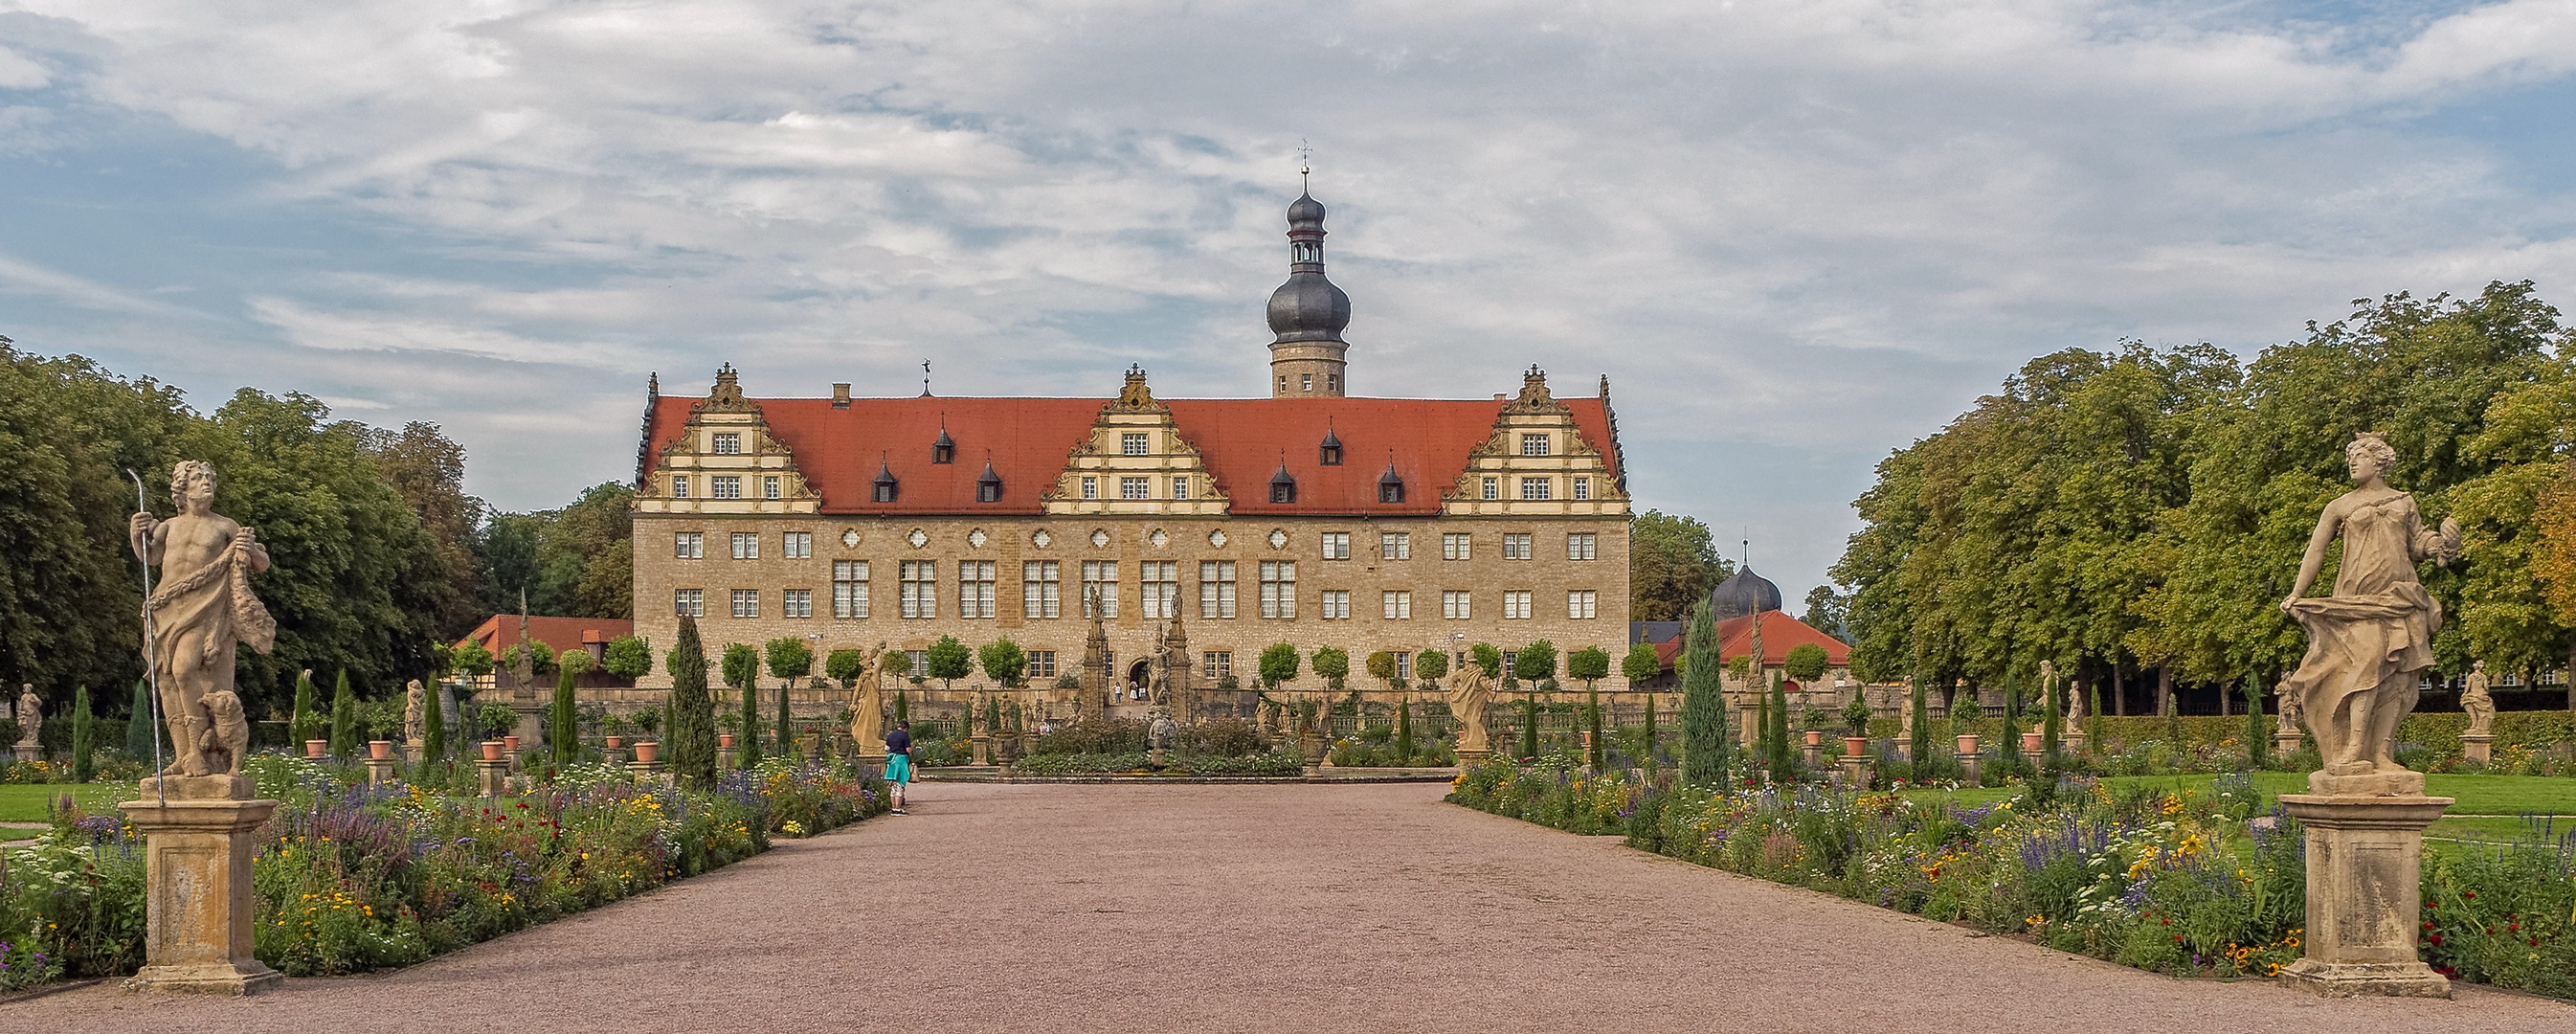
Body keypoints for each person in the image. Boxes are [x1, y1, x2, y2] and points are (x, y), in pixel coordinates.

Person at [883, 719, 912, 814]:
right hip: (901, 760)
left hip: (892, 760)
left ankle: (894, 807)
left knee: (893, 786)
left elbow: (887, 749)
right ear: (906, 728)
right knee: (900, 784)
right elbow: (908, 750)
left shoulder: (890, 735)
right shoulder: (904, 735)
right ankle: (898, 808)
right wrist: (912, 747)